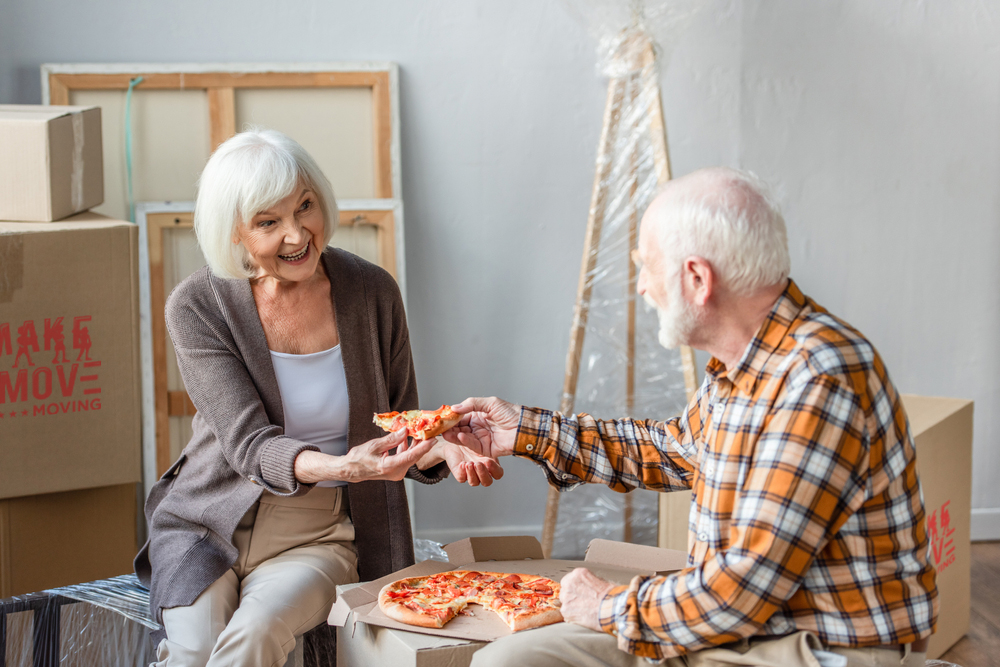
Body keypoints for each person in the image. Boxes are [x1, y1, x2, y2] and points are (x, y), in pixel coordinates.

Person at [444, 167, 937, 667]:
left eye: (647, 266)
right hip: (740, 628)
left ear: (697, 279)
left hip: (811, 645)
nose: (641, 287)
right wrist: (528, 431)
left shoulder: (818, 378)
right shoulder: (743, 365)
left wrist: (607, 605)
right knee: (512, 660)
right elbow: (672, 451)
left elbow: (742, 589)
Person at [134, 128, 501, 667]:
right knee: (193, 651)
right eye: (268, 221)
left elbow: (402, 420)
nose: (296, 233)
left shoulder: (372, 292)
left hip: (320, 531)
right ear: (234, 232)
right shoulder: (197, 305)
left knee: (251, 641)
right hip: (209, 523)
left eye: (304, 206)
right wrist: (345, 465)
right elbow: (249, 446)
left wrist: (441, 445)